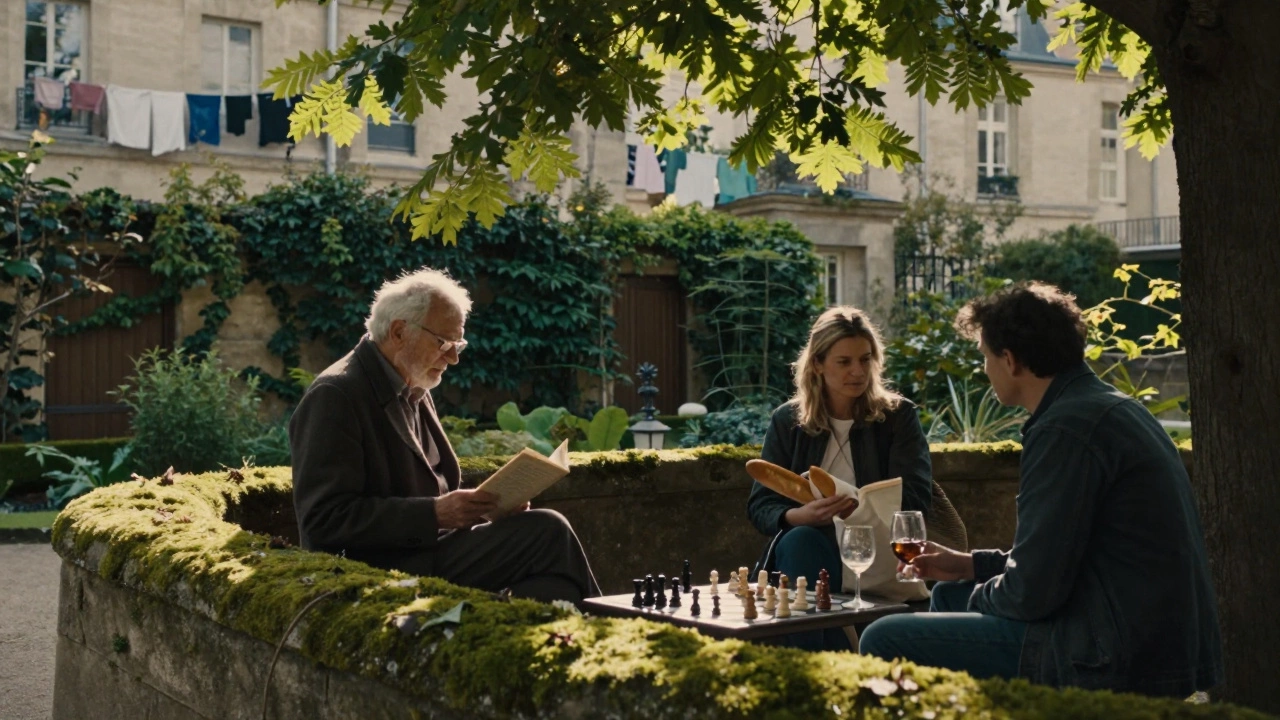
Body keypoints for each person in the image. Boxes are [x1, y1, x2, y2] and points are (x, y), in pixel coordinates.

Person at [859, 282, 1223, 697]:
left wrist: (982, 593)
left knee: (884, 638)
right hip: (1147, 638)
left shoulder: (1065, 430)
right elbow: (1061, 556)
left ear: (1010, 360)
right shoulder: (1108, 408)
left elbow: (1033, 592)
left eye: (985, 358)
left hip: (1113, 655)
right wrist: (969, 566)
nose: (984, 370)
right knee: (948, 595)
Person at [289, 267, 600, 604]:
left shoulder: (412, 382)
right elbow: (322, 520)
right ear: (398, 332)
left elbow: (432, 490)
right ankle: (623, 635)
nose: (452, 358)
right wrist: (434, 514)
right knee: (549, 530)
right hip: (380, 568)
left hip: (428, 551)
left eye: (458, 344)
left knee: (557, 592)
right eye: (443, 343)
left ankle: (607, 639)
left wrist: (485, 508)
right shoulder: (335, 394)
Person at [748, 306, 934, 649]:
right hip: (813, 551)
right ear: (818, 364)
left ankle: (819, 670)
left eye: (865, 360)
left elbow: (916, 501)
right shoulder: (788, 422)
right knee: (800, 539)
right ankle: (813, 670)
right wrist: (795, 516)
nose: (858, 371)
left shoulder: (897, 417)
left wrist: (855, 509)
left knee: (805, 566)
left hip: (877, 548)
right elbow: (761, 505)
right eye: (844, 362)